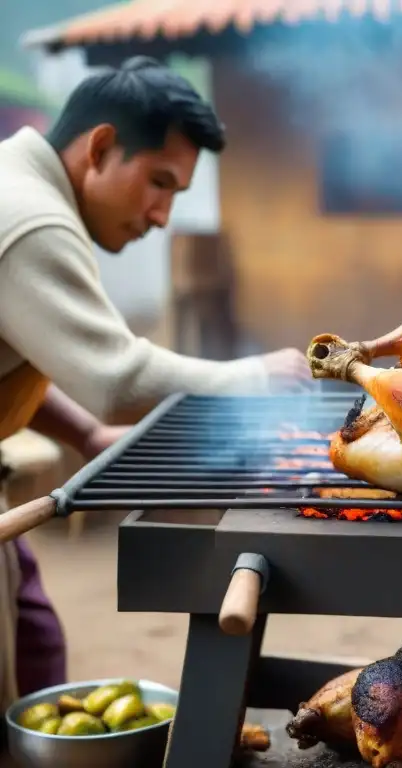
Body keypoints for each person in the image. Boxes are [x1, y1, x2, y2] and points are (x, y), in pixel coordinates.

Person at [0, 56, 311, 706]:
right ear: (102, 147)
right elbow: (115, 377)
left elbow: (20, 357)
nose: (163, 215)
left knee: (33, 655)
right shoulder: (34, 220)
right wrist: (254, 375)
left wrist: (84, 432)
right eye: (158, 183)